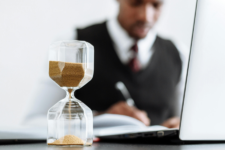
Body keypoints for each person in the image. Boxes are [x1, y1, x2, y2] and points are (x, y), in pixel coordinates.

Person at [74, 0, 189, 129]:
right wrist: (102, 118)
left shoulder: (178, 53)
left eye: (156, 5)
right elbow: (47, 120)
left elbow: (185, 119)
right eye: (136, 3)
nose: (145, 17)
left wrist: (181, 126)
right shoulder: (74, 45)